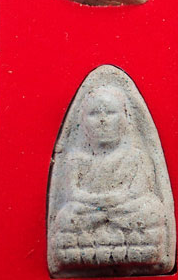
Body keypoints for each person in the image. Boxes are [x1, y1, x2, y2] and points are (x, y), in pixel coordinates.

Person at [50, 86, 167, 266]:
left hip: (125, 211)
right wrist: (101, 203)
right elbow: (72, 194)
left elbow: (139, 191)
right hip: (88, 212)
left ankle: (113, 246)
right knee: (66, 216)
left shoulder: (136, 156)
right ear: (82, 120)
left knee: (151, 210)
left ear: (126, 117)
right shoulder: (75, 158)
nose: (102, 120)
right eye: (94, 114)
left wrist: (113, 202)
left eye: (110, 113)